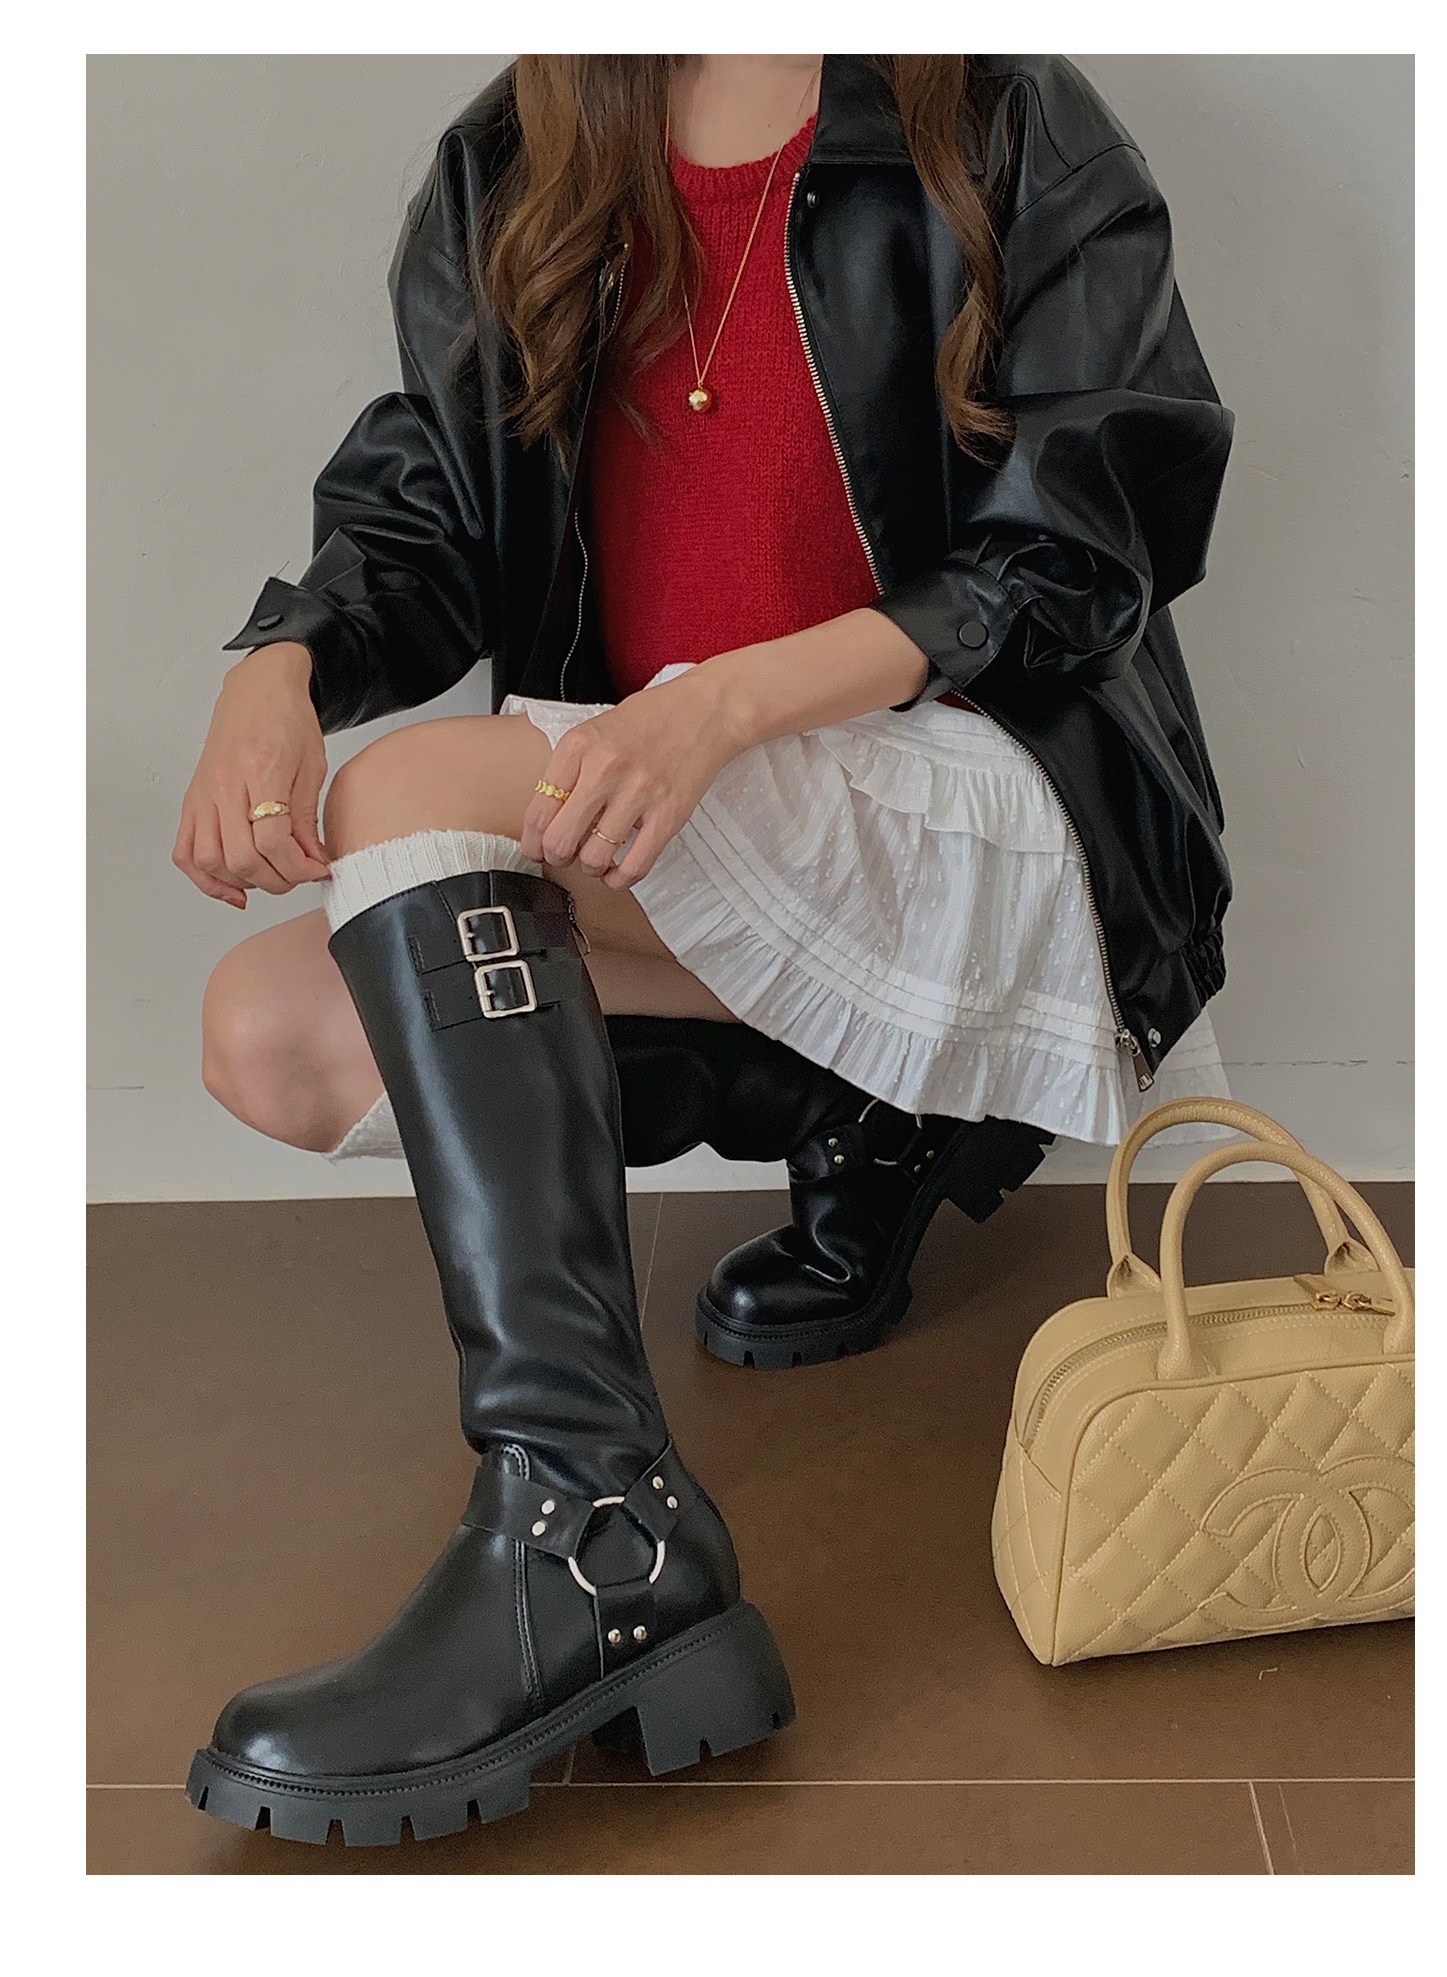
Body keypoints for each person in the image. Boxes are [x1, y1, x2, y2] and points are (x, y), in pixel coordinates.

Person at [177, 53, 1234, 1844]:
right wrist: (280, 663)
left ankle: (592, 1527)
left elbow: (1092, 531)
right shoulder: (522, 150)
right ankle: (875, 1113)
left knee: (409, 794)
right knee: (269, 1026)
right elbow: (431, 508)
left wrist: (724, 703)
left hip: (991, 785)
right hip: (684, 821)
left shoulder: (991, 111)